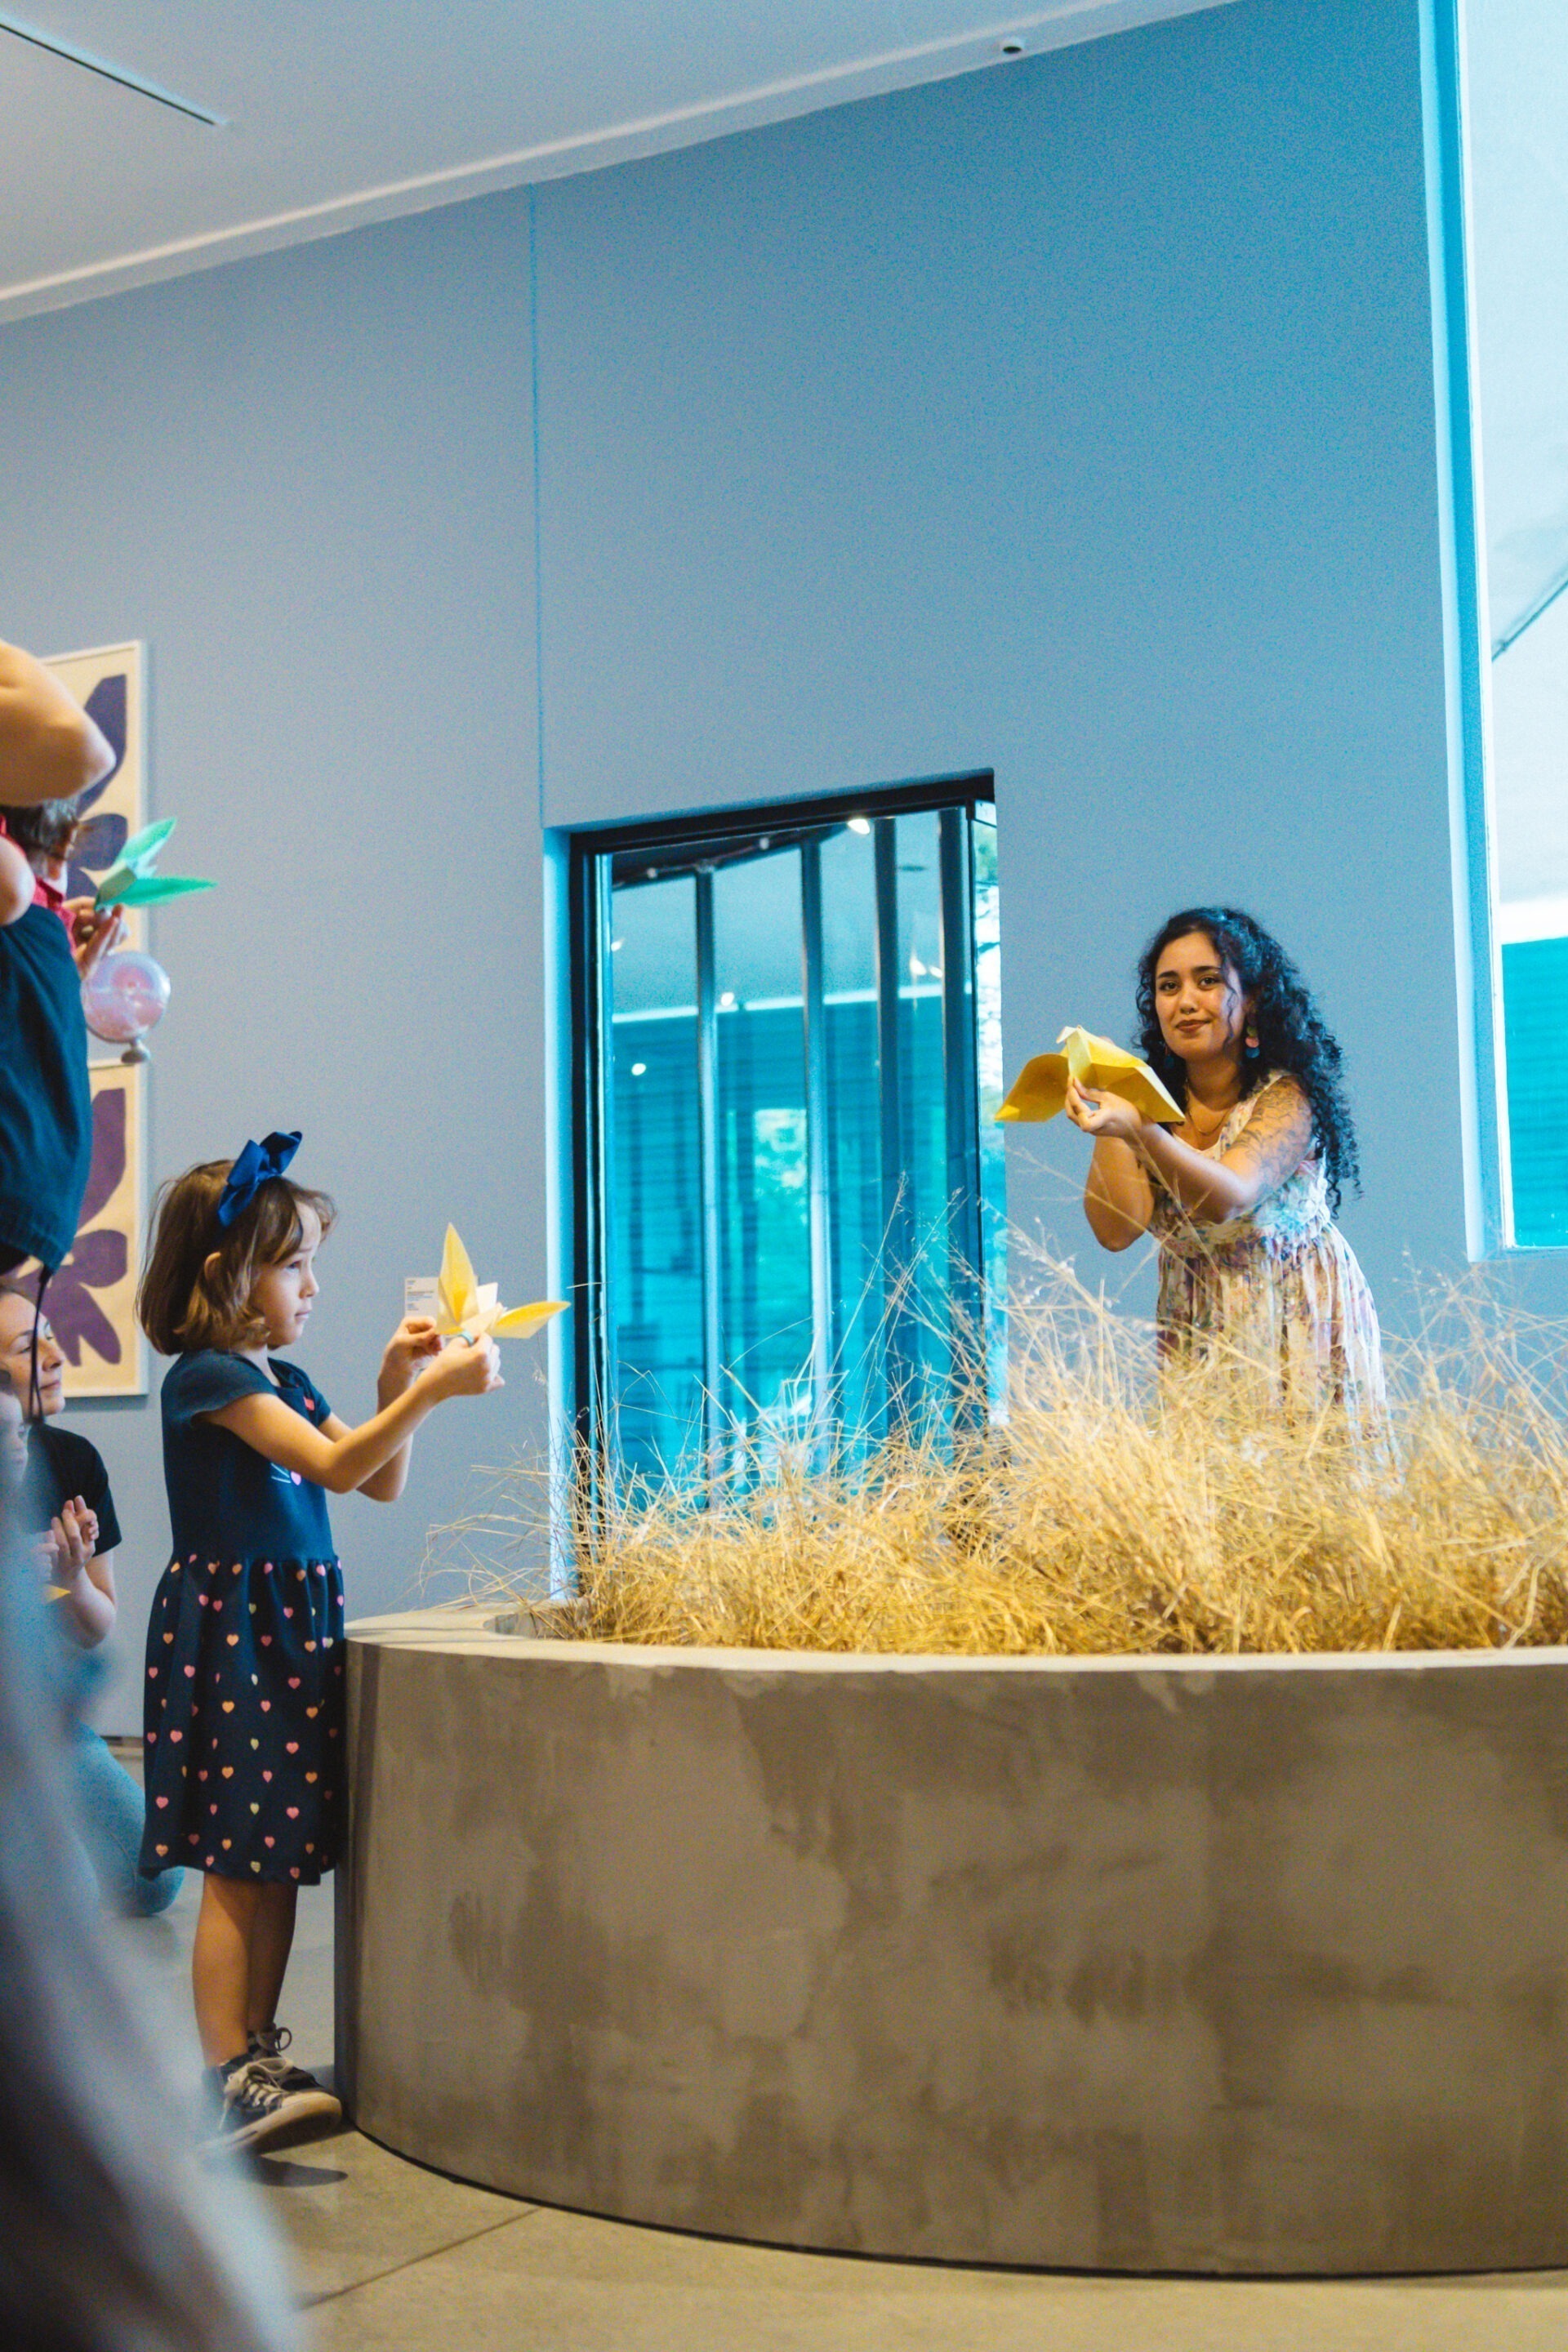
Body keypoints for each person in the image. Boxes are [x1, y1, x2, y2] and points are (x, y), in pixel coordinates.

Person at [136, 1132, 504, 2153]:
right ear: (228, 1275)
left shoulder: (287, 1380)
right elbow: (338, 1471)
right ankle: (226, 2072)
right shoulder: (210, 1380)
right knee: (233, 1863)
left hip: (293, 1635)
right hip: (235, 1638)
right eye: (293, 1264)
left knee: (280, 1856)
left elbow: (376, 1478)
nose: (312, 1286)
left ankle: (260, 2052)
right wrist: (429, 1392)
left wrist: (397, 1387)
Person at [1067, 905, 1384, 1439]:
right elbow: (1116, 1232)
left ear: (1252, 998)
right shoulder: (1151, 1105)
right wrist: (1116, 1105)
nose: (1186, 1001)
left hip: (1296, 1324)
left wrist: (1141, 1130)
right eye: (1168, 987)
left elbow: (1230, 1197)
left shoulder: (1288, 1096)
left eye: (1208, 981)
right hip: (1195, 1332)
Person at [0, 1280, 182, 1918]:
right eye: (28, 1347)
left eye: (50, 1337)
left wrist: (72, 1576)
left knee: (152, 1880)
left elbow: (96, 1626)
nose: (56, 1357)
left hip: (44, 1722)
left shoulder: (73, 1460)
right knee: (65, 1895)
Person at [0, 792, 123, 1281]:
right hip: (26, 1196)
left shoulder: (38, 930)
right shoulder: (16, 897)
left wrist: (68, 974)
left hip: (27, 1199)